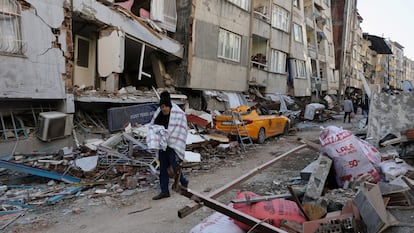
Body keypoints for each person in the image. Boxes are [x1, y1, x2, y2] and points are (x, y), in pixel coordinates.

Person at [150, 91, 189, 200]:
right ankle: (164, 191)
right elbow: (153, 127)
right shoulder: (159, 114)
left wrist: (170, 138)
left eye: (165, 107)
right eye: (162, 107)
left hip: (173, 146)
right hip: (163, 146)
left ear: (169, 105)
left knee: (174, 166)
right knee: (163, 168)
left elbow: (181, 130)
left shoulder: (178, 113)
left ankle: (183, 181)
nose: (163, 109)